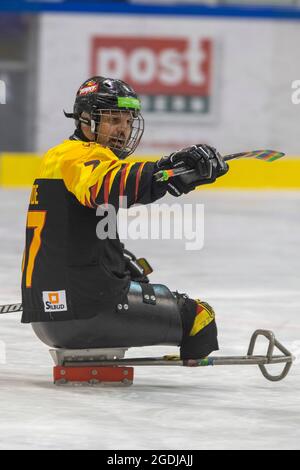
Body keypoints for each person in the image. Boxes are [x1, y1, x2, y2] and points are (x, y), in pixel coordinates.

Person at [21, 76, 228, 359]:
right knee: (199, 318)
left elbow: (71, 233)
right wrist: (164, 172)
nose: (123, 129)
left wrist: (113, 259)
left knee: (136, 277)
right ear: (86, 119)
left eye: (128, 121)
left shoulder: (56, 157)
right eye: (114, 119)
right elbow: (107, 184)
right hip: (90, 313)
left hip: (48, 319)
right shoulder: (81, 158)